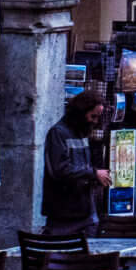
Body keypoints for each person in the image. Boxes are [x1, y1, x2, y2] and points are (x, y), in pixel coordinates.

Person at [43, 89, 103, 232]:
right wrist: (93, 173)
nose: (95, 121)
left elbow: (82, 166)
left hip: (84, 209)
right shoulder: (58, 133)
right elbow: (59, 169)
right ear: (81, 112)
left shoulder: (82, 133)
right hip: (64, 211)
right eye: (92, 116)